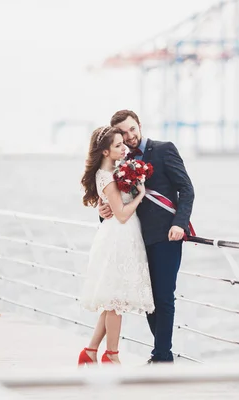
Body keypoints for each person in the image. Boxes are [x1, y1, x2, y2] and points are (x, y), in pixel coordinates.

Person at [99, 110, 195, 363]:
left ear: (139, 125)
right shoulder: (120, 161)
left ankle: (162, 357)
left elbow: (186, 189)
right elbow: (117, 203)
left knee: (163, 297)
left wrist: (180, 225)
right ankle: (162, 355)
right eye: (124, 132)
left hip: (166, 236)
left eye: (133, 129)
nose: (130, 136)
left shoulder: (164, 149)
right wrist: (103, 210)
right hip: (134, 240)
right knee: (148, 299)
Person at [78, 125, 155, 366]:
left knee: (113, 298)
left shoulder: (114, 170)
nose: (124, 148)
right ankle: (112, 354)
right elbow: (121, 214)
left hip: (123, 236)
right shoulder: (108, 177)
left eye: (124, 143)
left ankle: (90, 351)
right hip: (118, 237)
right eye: (118, 145)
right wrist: (140, 195)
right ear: (105, 152)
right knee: (115, 301)